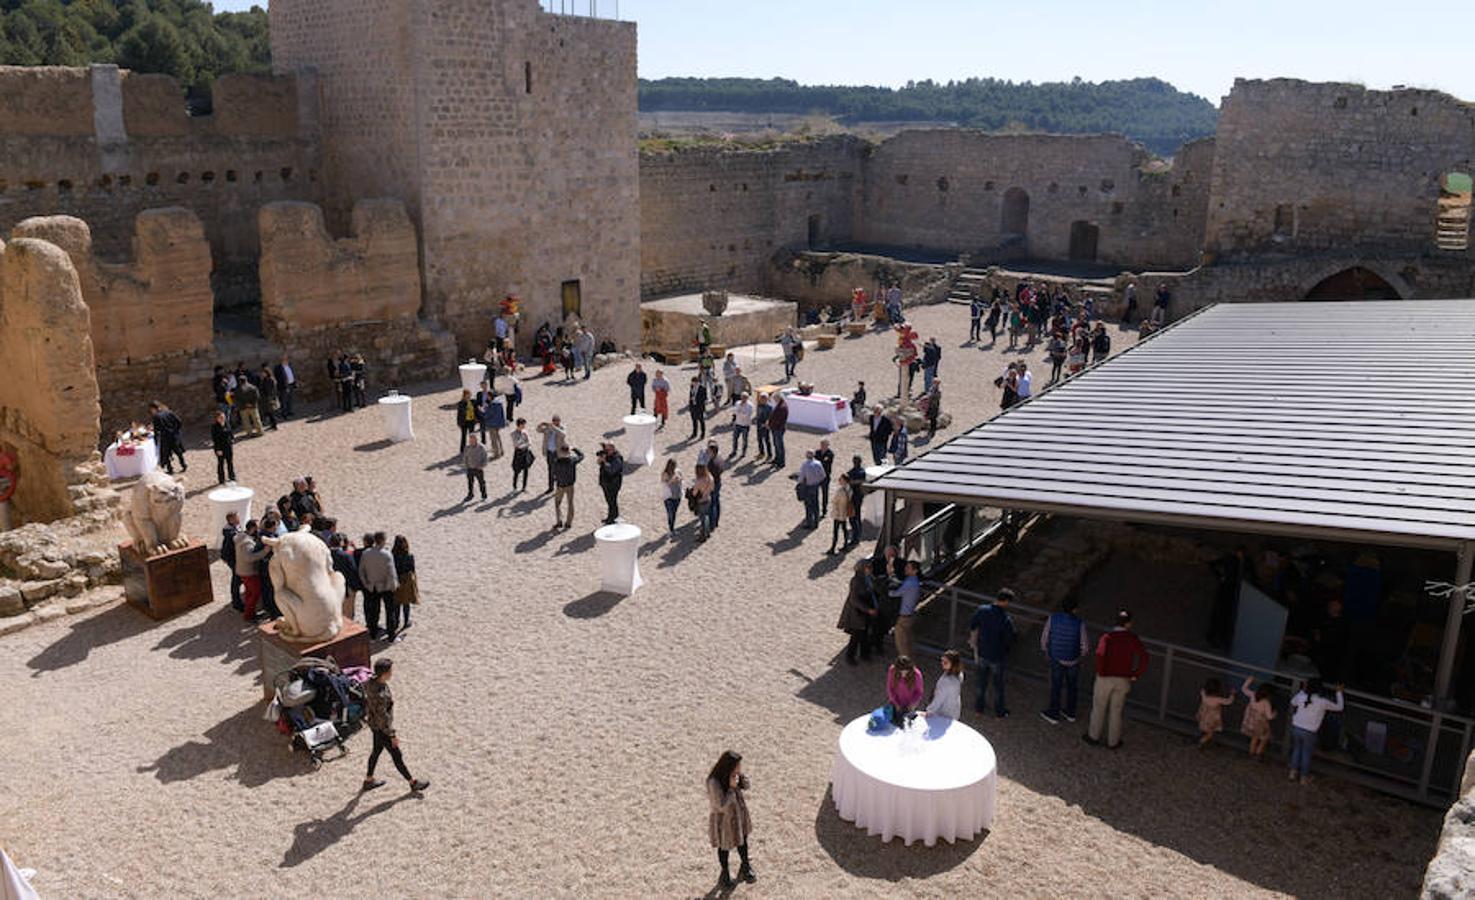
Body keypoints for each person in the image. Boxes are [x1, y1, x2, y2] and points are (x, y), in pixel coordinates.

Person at [362, 659, 431, 793]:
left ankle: (368, 780)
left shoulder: (371, 682)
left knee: (376, 752)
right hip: (382, 728)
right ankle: (413, 782)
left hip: (374, 725)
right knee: (396, 755)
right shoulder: (380, 696)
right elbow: (384, 718)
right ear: (384, 673)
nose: (392, 673)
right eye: (390, 671)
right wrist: (392, 735)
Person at [1084, 609, 1150, 749]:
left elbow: (1100, 656)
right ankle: (1113, 742)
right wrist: (1135, 674)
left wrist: (1101, 672)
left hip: (1105, 678)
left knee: (1099, 707)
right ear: (1129, 624)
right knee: (1116, 711)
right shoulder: (1132, 639)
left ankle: (1093, 736)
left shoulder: (1107, 637)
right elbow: (1144, 657)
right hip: (1123, 679)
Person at [706, 750, 755, 889]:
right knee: (724, 847)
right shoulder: (713, 782)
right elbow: (720, 806)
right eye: (737, 766)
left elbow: (747, 787)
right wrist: (732, 789)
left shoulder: (734, 775)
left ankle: (745, 866)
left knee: (743, 842)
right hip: (724, 821)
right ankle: (725, 873)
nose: (740, 768)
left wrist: (742, 781)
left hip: (739, 816)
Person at [1039, 597, 1090, 724]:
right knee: (1072, 687)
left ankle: (1054, 713)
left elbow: (1044, 637)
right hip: (1073, 660)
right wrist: (1079, 656)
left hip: (1056, 658)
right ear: (1075, 609)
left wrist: (1046, 650)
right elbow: (1085, 646)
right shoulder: (1079, 623)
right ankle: (1070, 713)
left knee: (1056, 686)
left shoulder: (1053, 618)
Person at [968, 587, 1017, 718]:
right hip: (997, 655)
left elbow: (973, 624)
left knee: (981, 682)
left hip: (982, 652)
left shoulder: (982, 610)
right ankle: (999, 711)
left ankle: (979, 708)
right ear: (1006, 602)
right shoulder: (1006, 619)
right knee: (998, 685)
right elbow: (1010, 639)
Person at [1288, 680, 1344, 783]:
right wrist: (1339, 692)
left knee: (1297, 750)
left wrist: (1302, 690)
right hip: (1309, 731)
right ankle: (1303, 778)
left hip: (1296, 727)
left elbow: (1292, 702)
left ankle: (1292, 773)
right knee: (1306, 754)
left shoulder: (1302, 697)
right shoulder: (1322, 701)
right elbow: (1339, 707)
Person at [358, 532, 401, 642]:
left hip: (372, 586)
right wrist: (392, 586)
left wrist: (367, 584)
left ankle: (372, 635)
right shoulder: (387, 554)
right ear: (382, 540)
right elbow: (391, 573)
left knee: (373, 611)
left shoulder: (366, 553)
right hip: (385, 587)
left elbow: (361, 571)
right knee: (390, 612)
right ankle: (391, 636)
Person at [838, 558, 878, 664]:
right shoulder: (856, 581)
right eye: (869, 567)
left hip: (865, 611)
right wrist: (868, 609)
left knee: (864, 634)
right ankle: (850, 657)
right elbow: (854, 599)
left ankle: (864, 654)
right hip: (857, 612)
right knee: (856, 635)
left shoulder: (868, 578)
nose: (871, 569)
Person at [233, 519, 269, 622]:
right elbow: (249, 558)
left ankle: (249, 613)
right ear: (253, 528)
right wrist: (265, 552)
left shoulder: (241, 538)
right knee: (255, 593)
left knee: (249, 592)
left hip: (243, 571)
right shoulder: (246, 542)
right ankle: (249, 615)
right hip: (248, 572)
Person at [889, 560, 921, 660]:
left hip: (904, 616)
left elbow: (894, 593)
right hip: (910, 614)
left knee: (901, 641)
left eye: (908, 568)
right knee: (907, 638)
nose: (905, 569)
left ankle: (905, 662)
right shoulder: (914, 581)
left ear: (915, 571)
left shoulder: (909, 583)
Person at [1240, 676, 1278, 760]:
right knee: (1265, 738)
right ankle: (1258, 753)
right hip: (1260, 724)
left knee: (1254, 738)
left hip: (1251, 722)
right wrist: (1275, 713)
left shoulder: (1253, 694)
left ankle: (1251, 753)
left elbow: (1244, 689)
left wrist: (1249, 680)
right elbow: (1269, 716)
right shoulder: (1266, 702)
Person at [329, 534, 363, 621]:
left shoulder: (327, 554)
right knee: (348, 614)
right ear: (341, 543)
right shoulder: (346, 556)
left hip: (330, 587)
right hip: (346, 588)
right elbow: (353, 571)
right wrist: (355, 587)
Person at [551, 445, 585, 530]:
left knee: (557, 503)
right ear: (568, 452)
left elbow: (553, 473)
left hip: (560, 486)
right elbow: (581, 456)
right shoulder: (572, 460)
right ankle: (568, 523)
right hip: (570, 485)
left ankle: (559, 521)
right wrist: (574, 448)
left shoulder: (556, 461)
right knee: (570, 503)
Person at [148, 401, 187, 474]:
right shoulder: (169, 412)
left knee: (166, 453)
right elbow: (179, 422)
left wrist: (156, 440)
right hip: (174, 435)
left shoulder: (156, 417)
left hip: (165, 437)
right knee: (178, 452)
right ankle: (183, 465)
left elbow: (156, 430)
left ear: (153, 408)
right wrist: (175, 431)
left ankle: (170, 469)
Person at [1197, 678, 1236, 748]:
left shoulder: (1204, 696)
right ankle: (1202, 741)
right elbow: (1228, 701)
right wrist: (1232, 694)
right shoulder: (1218, 700)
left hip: (1204, 716)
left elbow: (1202, 690)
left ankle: (1205, 739)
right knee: (1210, 733)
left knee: (1206, 729)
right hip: (1213, 720)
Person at [927, 649, 965, 719]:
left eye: (945, 662)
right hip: (954, 709)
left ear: (953, 664)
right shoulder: (959, 674)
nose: (942, 663)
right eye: (942, 661)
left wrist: (929, 710)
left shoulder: (947, 682)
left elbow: (939, 699)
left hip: (944, 711)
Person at [391, 535, 418, 633]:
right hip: (406, 581)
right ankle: (406, 621)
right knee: (406, 603)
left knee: (396, 603)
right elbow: (412, 569)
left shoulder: (392, 555)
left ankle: (397, 622)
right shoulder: (409, 556)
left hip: (396, 580)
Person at [795, 450, 825, 529]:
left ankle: (809, 523)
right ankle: (816, 523)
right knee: (816, 504)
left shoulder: (805, 465)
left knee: (808, 506)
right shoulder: (818, 463)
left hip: (807, 487)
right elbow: (823, 475)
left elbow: (801, 477)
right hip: (815, 486)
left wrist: (798, 483)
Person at [537, 416, 567, 494]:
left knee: (558, 470)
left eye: (556, 421)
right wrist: (541, 425)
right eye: (553, 421)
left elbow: (563, 435)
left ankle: (559, 486)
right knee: (550, 470)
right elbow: (538, 430)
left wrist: (554, 428)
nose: (555, 422)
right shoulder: (548, 428)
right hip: (549, 452)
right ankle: (551, 487)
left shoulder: (562, 427)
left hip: (558, 453)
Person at [596, 442, 624, 525]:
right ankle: (612, 516)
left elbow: (612, 470)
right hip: (606, 482)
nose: (606, 451)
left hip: (613, 484)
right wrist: (601, 460)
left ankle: (612, 518)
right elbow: (598, 457)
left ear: (612, 449)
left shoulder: (617, 458)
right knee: (609, 501)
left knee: (612, 501)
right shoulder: (607, 455)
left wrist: (604, 462)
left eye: (607, 449)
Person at [220, 512, 243, 611]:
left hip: (235, 559)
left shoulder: (235, 528)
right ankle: (236, 602)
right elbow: (228, 548)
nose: (238, 518)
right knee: (236, 580)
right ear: (231, 520)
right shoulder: (230, 534)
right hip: (234, 560)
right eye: (236, 517)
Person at [826, 473, 853, 554]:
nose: (839, 480)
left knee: (836, 531)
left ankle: (833, 548)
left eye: (841, 479)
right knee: (844, 530)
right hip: (844, 513)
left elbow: (835, 501)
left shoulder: (840, 491)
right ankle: (846, 545)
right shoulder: (849, 489)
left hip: (838, 513)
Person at [210, 410, 235, 484]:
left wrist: (232, 439)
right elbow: (215, 439)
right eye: (220, 417)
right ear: (216, 418)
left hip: (228, 446)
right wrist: (218, 449)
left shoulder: (227, 424)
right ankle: (221, 479)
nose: (222, 418)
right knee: (221, 463)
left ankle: (232, 476)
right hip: (220, 448)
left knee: (230, 462)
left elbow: (230, 432)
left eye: (223, 417)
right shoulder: (214, 427)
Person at [691, 463, 715, 542]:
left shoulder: (699, 481)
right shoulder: (710, 477)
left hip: (701, 501)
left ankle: (703, 536)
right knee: (706, 516)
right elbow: (712, 488)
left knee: (702, 519)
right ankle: (707, 532)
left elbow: (694, 493)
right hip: (708, 498)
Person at [510, 418, 533, 492]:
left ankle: (524, 486)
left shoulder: (525, 432)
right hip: (518, 453)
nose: (524, 426)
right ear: (519, 425)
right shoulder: (513, 433)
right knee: (516, 470)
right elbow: (516, 444)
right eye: (523, 424)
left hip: (525, 452)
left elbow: (529, 441)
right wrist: (525, 442)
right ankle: (514, 487)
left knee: (526, 470)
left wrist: (525, 443)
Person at [463, 435, 489, 502]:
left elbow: (485, 458)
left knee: (481, 482)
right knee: (470, 482)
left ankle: (484, 495)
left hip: (478, 469)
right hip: (470, 468)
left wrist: (482, 466)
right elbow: (465, 458)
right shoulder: (467, 448)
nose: (471, 442)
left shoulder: (481, 448)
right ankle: (470, 494)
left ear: (476, 440)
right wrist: (466, 465)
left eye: (472, 440)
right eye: (470, 440)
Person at [660, 460, 683, 534]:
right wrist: (672, 480)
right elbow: (665, 483)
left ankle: (672, 528)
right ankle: (671, 529)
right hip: (669, 497)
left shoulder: (678, 471)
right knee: (670, 513)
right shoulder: (665, 474)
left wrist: (679, 479)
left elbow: (682, 479)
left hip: (677, 495)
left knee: (674, 512)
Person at [767, 395, 789, 468]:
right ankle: (777, 459)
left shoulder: (782, 407)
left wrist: (770, 424)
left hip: (778, 429)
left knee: (779, 446)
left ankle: (781, 462)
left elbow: (778, 420)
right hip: (775, 428)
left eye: (775, 398)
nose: (774, 400)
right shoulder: (780, 405)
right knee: (776, 445)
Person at [730, 393, 753, 457]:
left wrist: (739, 412)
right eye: (742, 397)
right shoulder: (737, 403)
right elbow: (734, 411)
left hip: (745, 425)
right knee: (735, 439)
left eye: (745, 398)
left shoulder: (750, 405)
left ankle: (743, 453)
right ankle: (734, 451)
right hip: (737, 424)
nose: (743, 399)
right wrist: (739, 411)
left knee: (744, 440)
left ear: (747, 398)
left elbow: (746, 415)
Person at [456, 388, 479, 453]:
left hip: (471, 421)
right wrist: (459, 423)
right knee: (464, 436)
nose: (469, 396)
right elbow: (460, 414)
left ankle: (473, 447)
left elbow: (476, 411)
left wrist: (477, 419)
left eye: (469, 395)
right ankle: (462, 450)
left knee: (472, 435)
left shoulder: (473, 401)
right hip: (464, 422)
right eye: (467, 395)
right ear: (464, 395)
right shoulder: (461, 403)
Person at [257, 365, 280, 431]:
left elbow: (269, 390)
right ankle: (272, 424)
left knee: (271, 412)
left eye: (263, 373)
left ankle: (274, 425)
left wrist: (270, 398)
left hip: (268, 398)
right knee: (269, 413)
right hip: (266, 399)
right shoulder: (265, 379)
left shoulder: (269, 380)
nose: (262, 374)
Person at [753, 393, 773, 460]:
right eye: (761, 399)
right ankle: (761, 453)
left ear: (767, 399)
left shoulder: (769, 407)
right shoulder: (759, 405)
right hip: (759, 425)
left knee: (767, 440)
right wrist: (756, 419)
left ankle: (769, 455)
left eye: (764, 399)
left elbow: (770, 418)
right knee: (759, 440)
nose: (762, 400)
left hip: (765, 426)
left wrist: (765, 424)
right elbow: (758, 414)